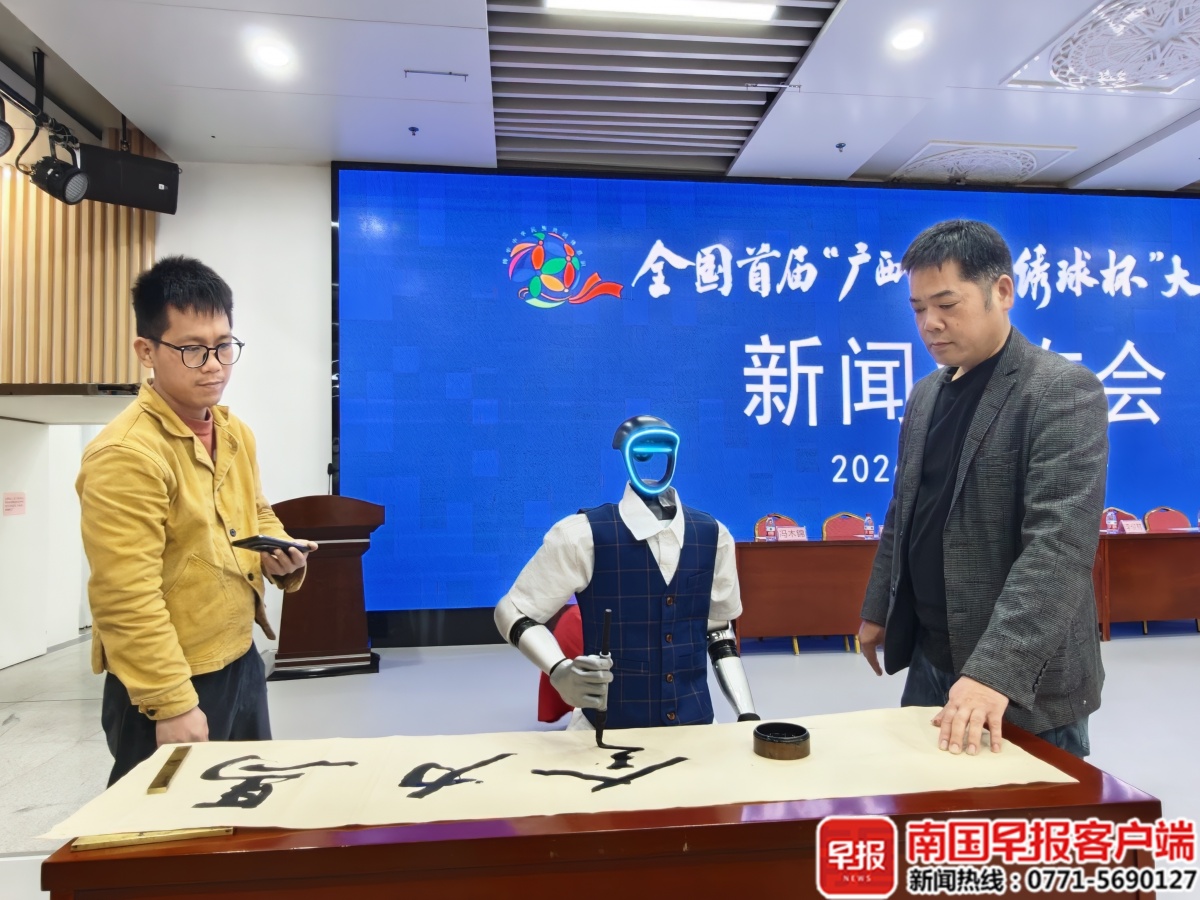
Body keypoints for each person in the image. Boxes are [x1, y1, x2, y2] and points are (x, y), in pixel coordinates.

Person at [857, 219, 1107, 759]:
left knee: (1023, 814)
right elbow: (906, 510)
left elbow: (1058, 547)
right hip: (931, 655)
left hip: (1020, 678)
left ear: (1002, 291)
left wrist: (993, 672)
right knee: (925, 805)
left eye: (947, 304)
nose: (930, 324)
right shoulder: (925, 394)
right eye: (918, 309)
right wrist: (878, 607)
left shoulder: (1060, 391)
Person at [77, 256, 317, 785]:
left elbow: (255, 510)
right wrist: (171, 702)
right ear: (147, 351)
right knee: (165, 827)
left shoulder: (234, 432)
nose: (214, 365)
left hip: (240, 655)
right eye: (192, 349)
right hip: (170, 679)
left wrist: (279, 551)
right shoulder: (126, 454)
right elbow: (124, 596)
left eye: (224, 345)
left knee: (247, 806)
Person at [496, 415, 759, 730]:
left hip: (697, 726)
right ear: (625, 454)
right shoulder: (582, 535)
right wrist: (559, 669)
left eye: (665, 447)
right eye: (642, 448)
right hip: (606, 729)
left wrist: (747, 713)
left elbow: (719, 631)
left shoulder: (714, 536)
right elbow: (512, 610)